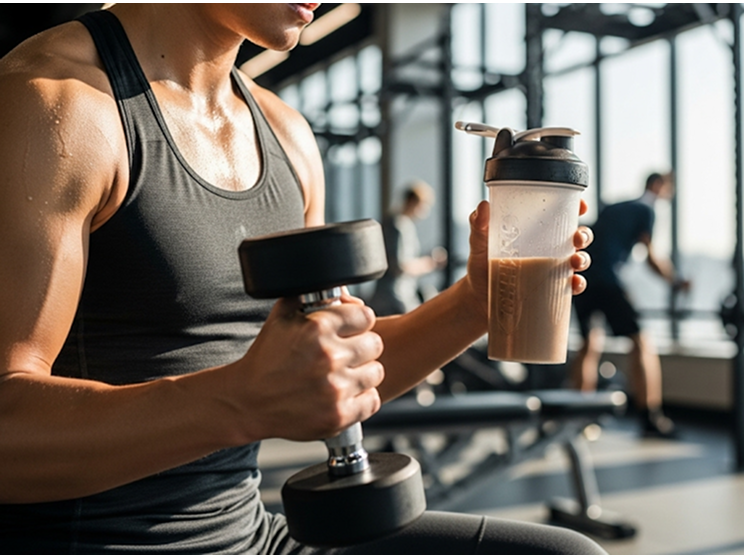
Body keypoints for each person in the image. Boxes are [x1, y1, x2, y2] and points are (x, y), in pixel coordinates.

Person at [0, 5, 602, 554]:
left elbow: (327, 369)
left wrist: (475, 302)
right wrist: (239, 401)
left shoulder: (286, 135)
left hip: (255, 536)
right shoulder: (55, 106)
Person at [571, 172, 688, 438]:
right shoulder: (646, 210)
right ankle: (651, 418)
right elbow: (651, 259)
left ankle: (580, 417)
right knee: (641, 342)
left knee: (589, 344)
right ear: (658, 186)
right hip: (608, 280)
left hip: (583, 278)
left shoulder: (615, 207)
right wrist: (676, 280)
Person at [369, 180, 447, 316]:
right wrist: (429, 263)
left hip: (394, 295)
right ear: (413, 202)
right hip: (395, 298)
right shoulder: (398, 226)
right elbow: (400, 266)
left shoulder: (397, 223)